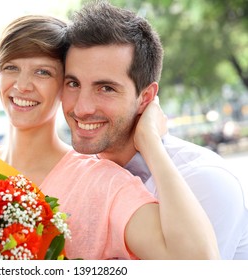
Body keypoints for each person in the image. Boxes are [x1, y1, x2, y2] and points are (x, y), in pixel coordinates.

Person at [0, 14, 219, 260]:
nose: (23, 85)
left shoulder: (102, 182)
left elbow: (199, 262)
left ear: (62, 86)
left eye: (43, 72)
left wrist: (150, 141)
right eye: (10, 67)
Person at [62, 0, 248, 259]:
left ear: (146, 97)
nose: (81, 108)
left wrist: (149, 142)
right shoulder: (76, 176)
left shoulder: (204, 181)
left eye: (106, 88)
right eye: (73, 83)